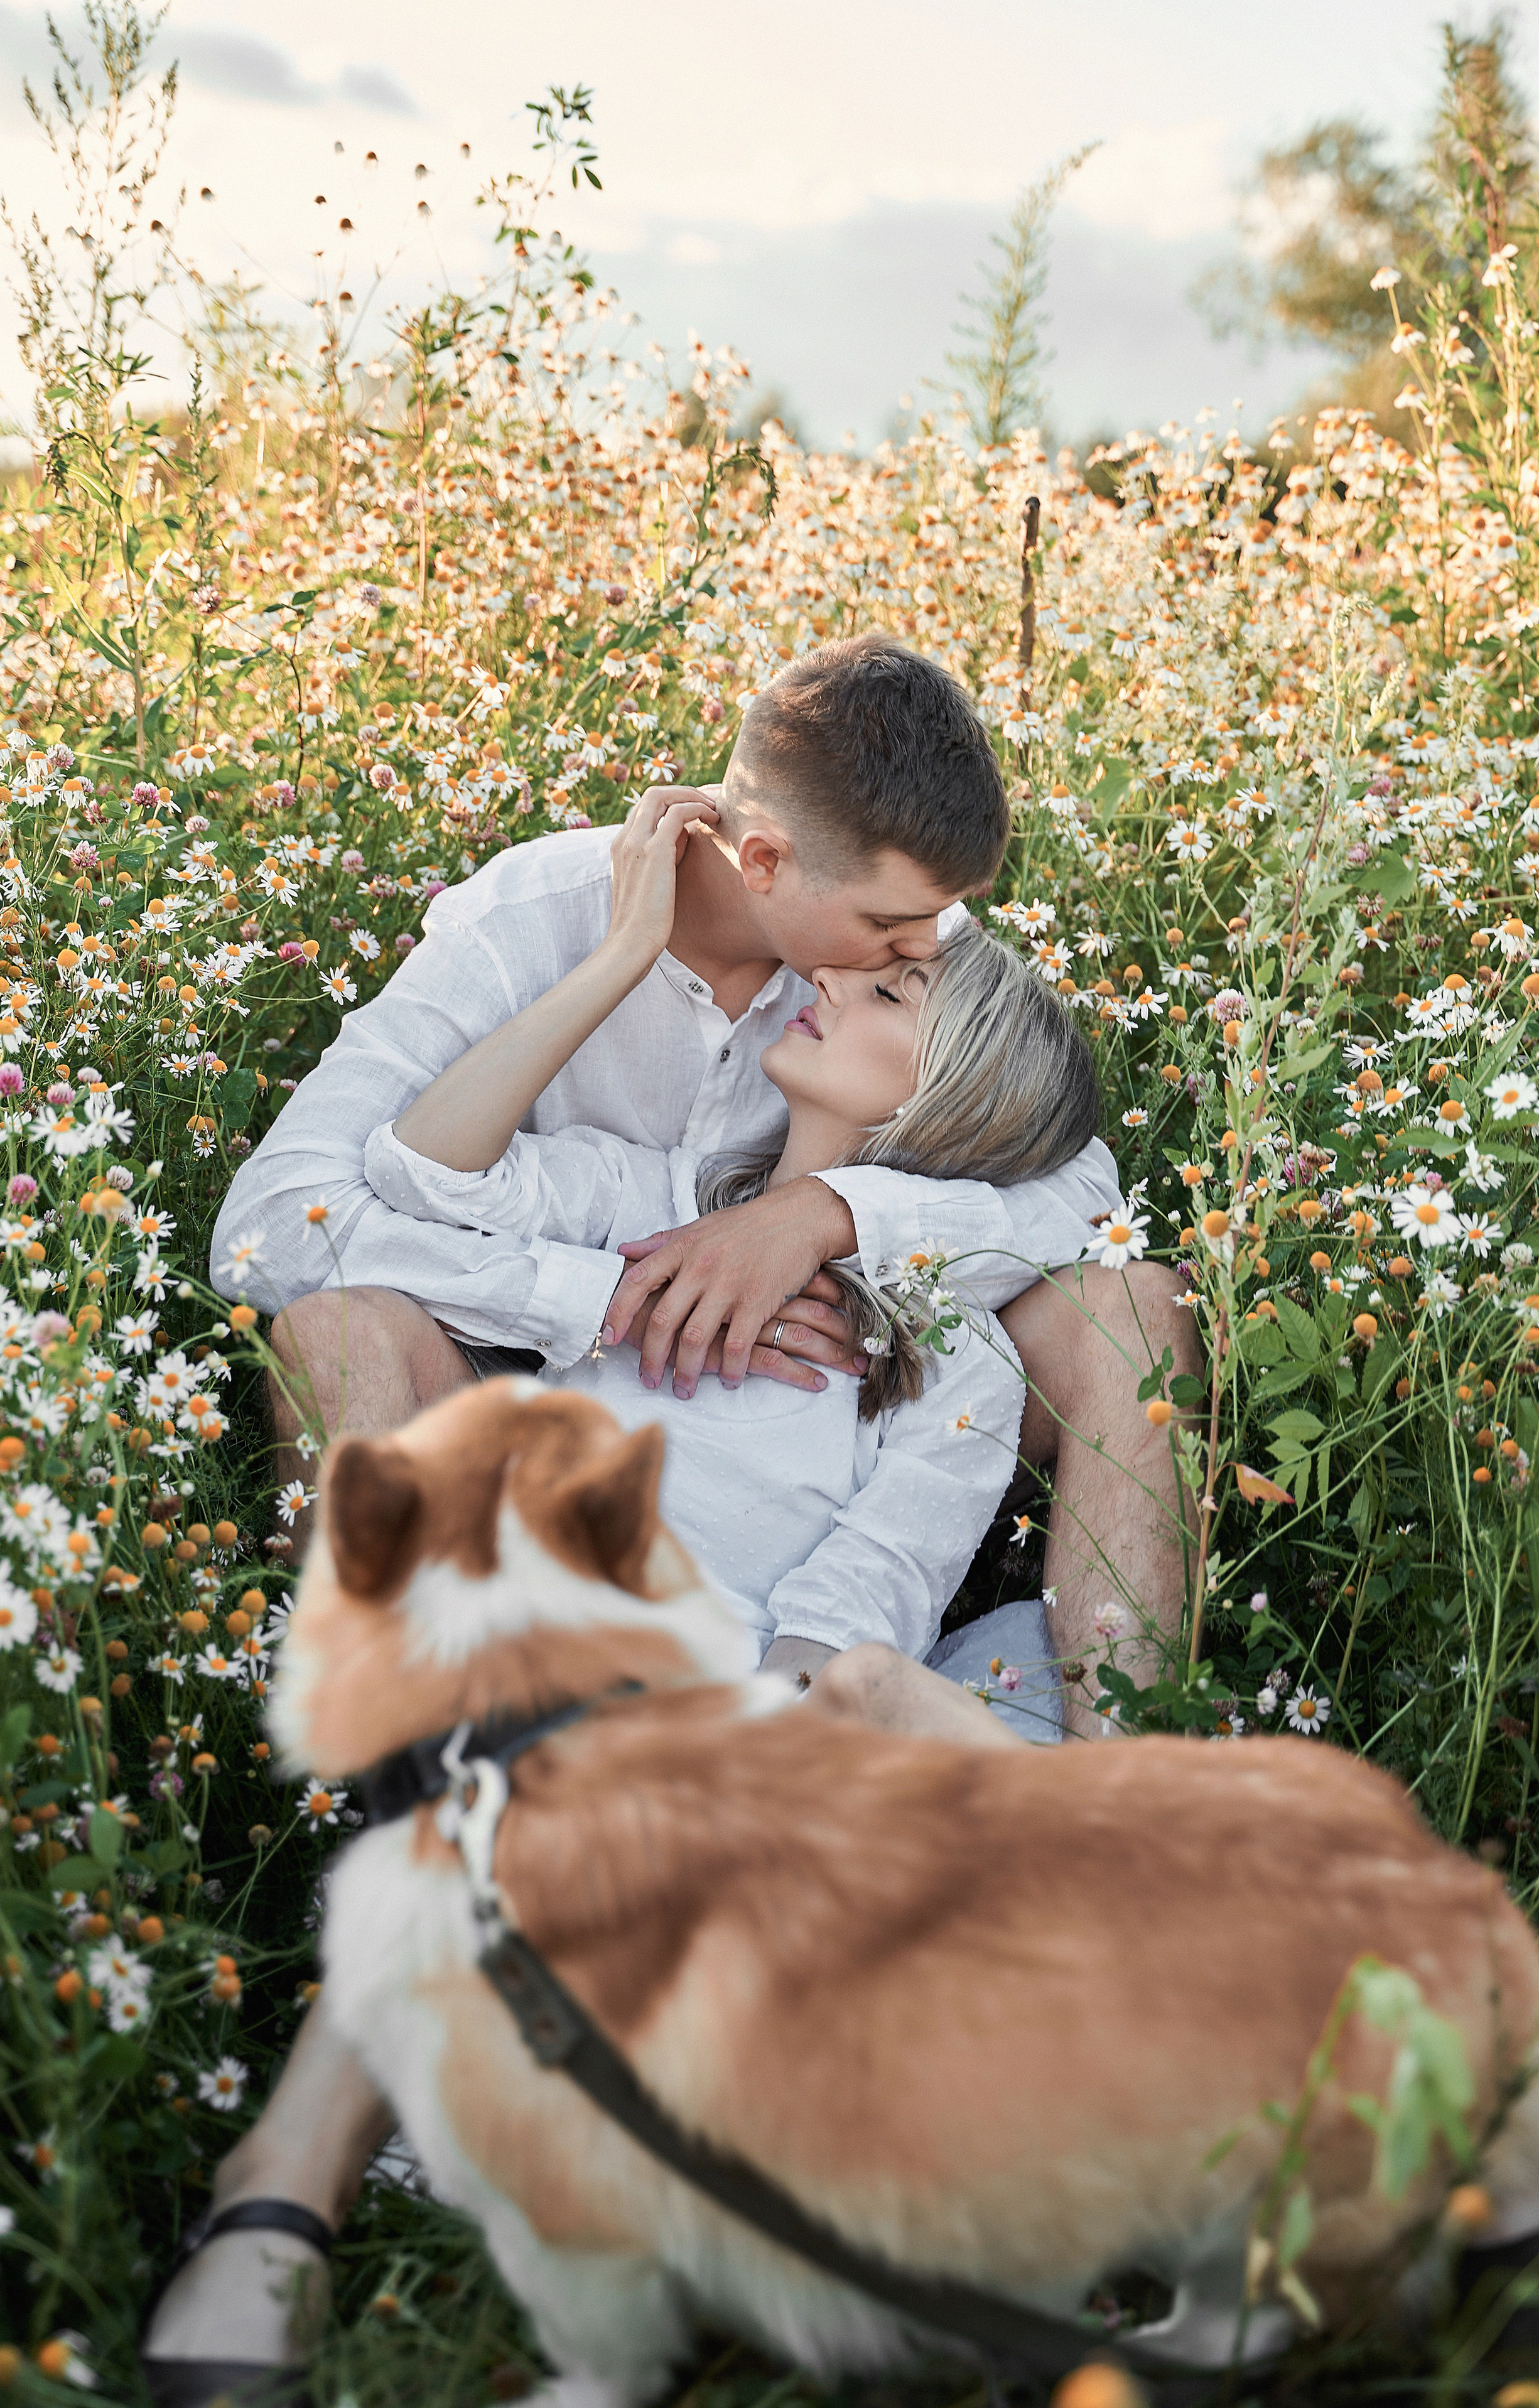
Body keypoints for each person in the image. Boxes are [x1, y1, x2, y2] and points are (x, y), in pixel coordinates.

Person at [145, 635, 1201, 2405]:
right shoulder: (552, 963)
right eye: (890, 947)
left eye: (916, 972)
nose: (910, 961)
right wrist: (605, 1279)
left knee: (1090, 1369)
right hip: (575, 1566)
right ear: (769, 868)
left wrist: (838, 1224)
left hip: (764, 1666)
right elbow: (305, 1220)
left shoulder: (908, 1139)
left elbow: (1062, 1182)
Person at [365, 791, 1099, 1713]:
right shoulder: (670, 1195)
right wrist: (621, 957)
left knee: (997, 1662)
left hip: (735, 1711)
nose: (827, 978)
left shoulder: (959, 1356)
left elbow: (867, 1595)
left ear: (946, 1096)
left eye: (885, 992)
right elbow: (426, 1171)